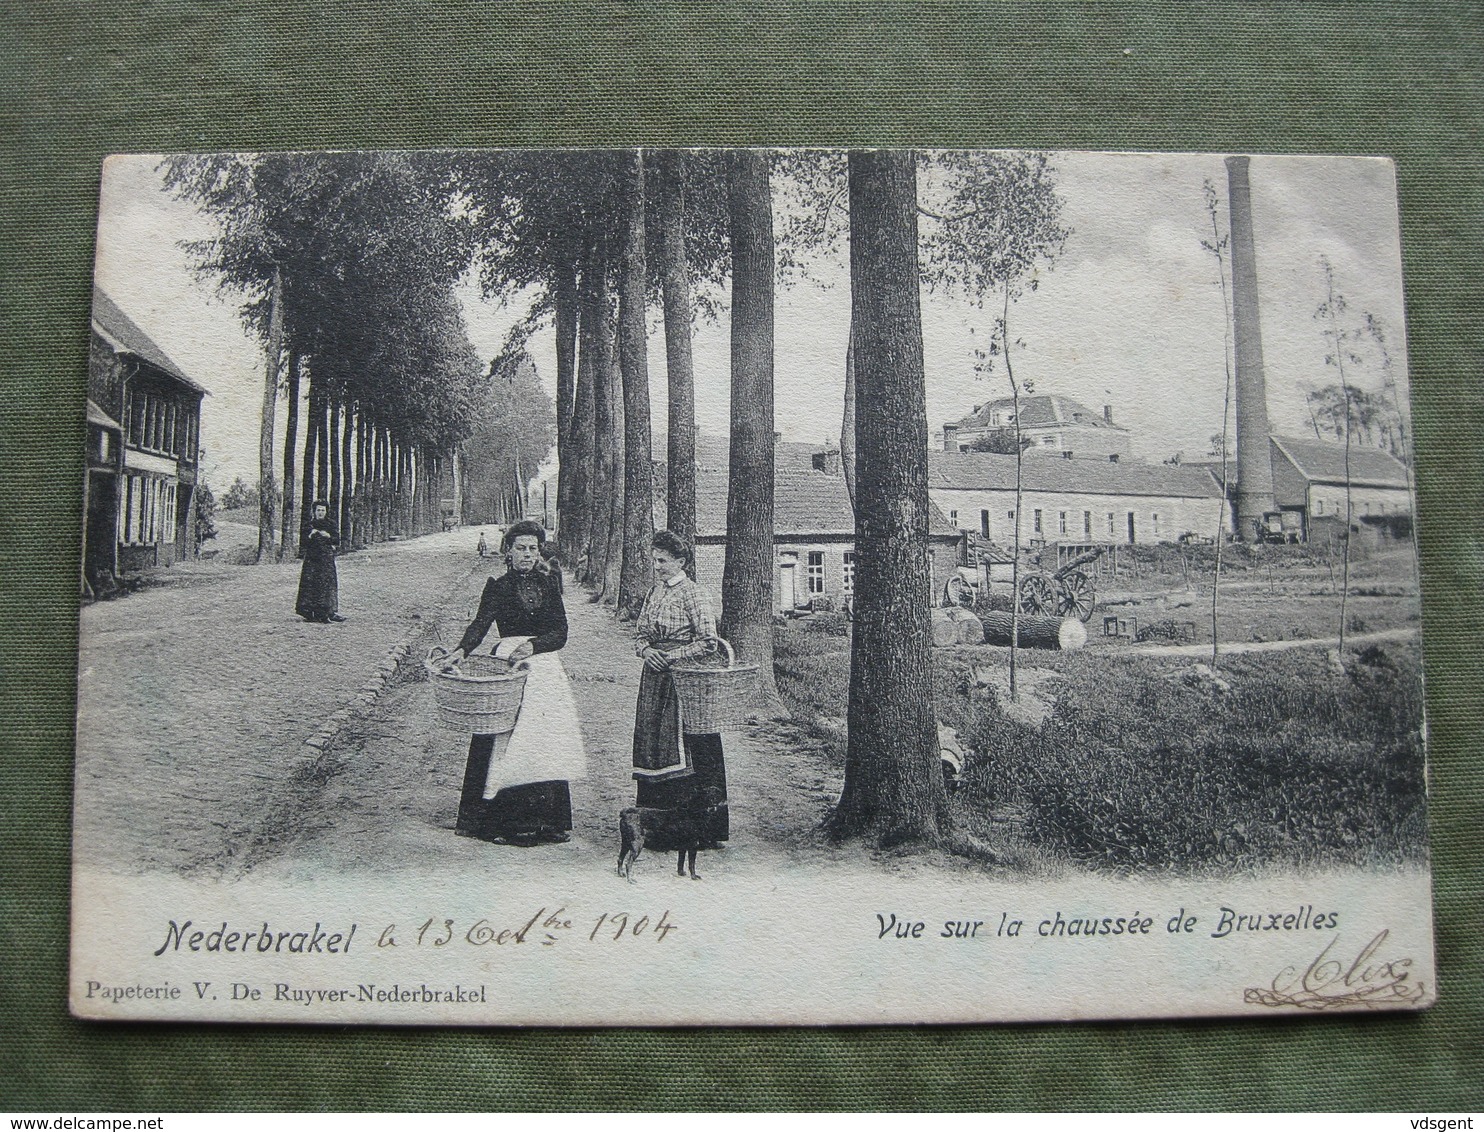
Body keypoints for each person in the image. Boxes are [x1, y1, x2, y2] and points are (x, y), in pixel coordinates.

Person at [444, 519, 585, 845]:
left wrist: (534, 645)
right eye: (520, 548)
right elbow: (479, 625)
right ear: (508, 551)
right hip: (507, 665)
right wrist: (461, 651)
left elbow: (560, 632)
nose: (527, 554)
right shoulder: (498, 587)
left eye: (533, 549)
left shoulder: (550, 586)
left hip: (543, 666)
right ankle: (501, 820)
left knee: (543, 737)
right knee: (503, 735)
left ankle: (548, 821)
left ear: (539, 552)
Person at [630, 529, 729, 850]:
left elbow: (709, 642)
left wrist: (671, 656)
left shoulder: (694, 594)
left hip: (685, 680)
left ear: (681, 561)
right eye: (654, 560)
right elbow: (641, 633)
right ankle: (657, 826)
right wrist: (646, 650)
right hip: (654, 679)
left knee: (689, 746)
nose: (657, 567)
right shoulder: (653, 594)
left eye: (663, 561)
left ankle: (696, 829)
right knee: (654, 742)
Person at [295, 501, 343, 623]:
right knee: (312, 585)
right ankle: (311, 613)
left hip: (326, 559)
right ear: (314, 512)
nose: (320, 513)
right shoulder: (309, 525)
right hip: (312, 560)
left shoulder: (331, 524)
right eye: (318, 510)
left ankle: (329, 612)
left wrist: (328, 536)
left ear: (326, 511)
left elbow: (337, 541)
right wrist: (310, 535)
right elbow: (303, 543)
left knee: (327, 584)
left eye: (322, 510)